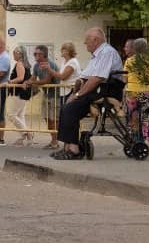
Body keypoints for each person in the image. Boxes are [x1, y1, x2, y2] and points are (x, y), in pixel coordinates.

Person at [53, 27, 124, 160]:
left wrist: (77, 95)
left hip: (108, 90)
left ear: (95, 40)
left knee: (70, 109)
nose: (85, 43)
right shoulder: (96, 55)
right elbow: (84, 77)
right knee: (65, 108)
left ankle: (74, 150)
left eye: (87, 40)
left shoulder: (106, 52)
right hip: (97, 89)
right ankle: (67, 146)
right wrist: (75, 93)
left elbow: (97, 78)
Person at [124, 37, 149, 144]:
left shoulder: (129, 61)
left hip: (132, 92)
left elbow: (125, 79)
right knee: (147, 117)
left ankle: (135, 139)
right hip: (147, 92)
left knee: (133, 116)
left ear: (135, 48)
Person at [50, 42, 81, 149]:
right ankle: (66, 145)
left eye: (63, 49)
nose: (61, 51)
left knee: (68, 119)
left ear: (67, 51)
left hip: (71, 92)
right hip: (65, 91)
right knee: (64, 119)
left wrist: (49, 70)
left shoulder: (73, 62)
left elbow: (63, 76)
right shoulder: (65, 62)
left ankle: (70, 145)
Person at [28, 45, 61, 146]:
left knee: (54, 119)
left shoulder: (50, 64)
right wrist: (27, 82)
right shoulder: (36, 65)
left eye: (37, 54)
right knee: (47, 118)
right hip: (46, 95)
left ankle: (55, 141)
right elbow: (33, 78)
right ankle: (53, 140)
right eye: (34, 54)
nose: (35, 56)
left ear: (44, 54)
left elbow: (47, 80)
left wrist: (32, 83)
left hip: (55, 95)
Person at [6, 46, 33, 145]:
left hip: (18, 93)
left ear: (19, 54)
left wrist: (10, 82)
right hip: (24, 93)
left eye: (14, 53)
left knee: (11, 115)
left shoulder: (19, 63)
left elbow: (20, 78)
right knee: (20, 115)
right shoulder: (26, 64)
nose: (13, 54)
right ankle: (23, 137)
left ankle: (28, 133)